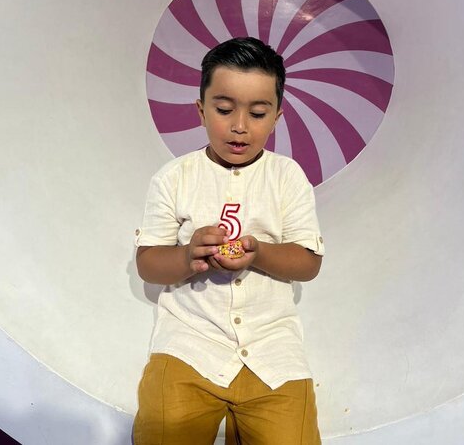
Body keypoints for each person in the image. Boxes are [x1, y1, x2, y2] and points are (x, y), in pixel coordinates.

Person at [133, 37, 325, 445]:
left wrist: (259, 253)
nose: (240, 126)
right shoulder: (174, 178)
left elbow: (308, 262)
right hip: (189, 344)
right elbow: (148, 262)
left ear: (276, 117)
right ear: (201, 110)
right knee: (162, 432)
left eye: (257, 113)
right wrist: (187, 256)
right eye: (224, 110)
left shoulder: (288, 177)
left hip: (273, 351)